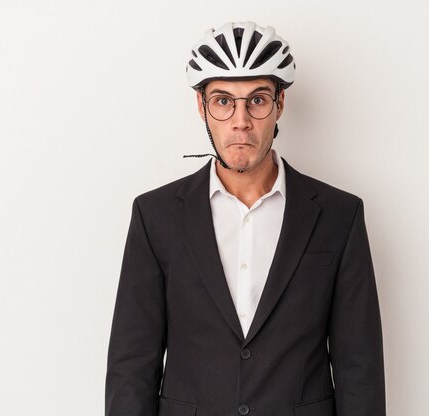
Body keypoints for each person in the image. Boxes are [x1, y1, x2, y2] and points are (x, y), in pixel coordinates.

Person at [106, 21, 386, 416]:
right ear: (202, 106)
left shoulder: (340, 216)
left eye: (256, 100)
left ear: (280, 104)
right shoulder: (156, 216)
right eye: (223, 101)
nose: (241, 121)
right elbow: (131, 365)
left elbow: (361, 371)